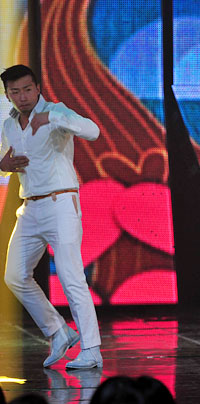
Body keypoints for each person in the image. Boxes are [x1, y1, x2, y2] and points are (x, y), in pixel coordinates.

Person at [0, 65, 102, 369]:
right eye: (15, 92)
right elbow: (7, 159)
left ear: (37, 88)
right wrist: (4, 165)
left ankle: (92, 349)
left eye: (27, 89)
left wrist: (54, 118)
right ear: (7, 94)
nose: (22, 96)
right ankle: (58, 331)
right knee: (14, 275)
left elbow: (93, 131)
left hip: (60, 203)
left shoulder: (56, 111)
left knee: (71, 278)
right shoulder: (9, 124)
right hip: (29, 208)